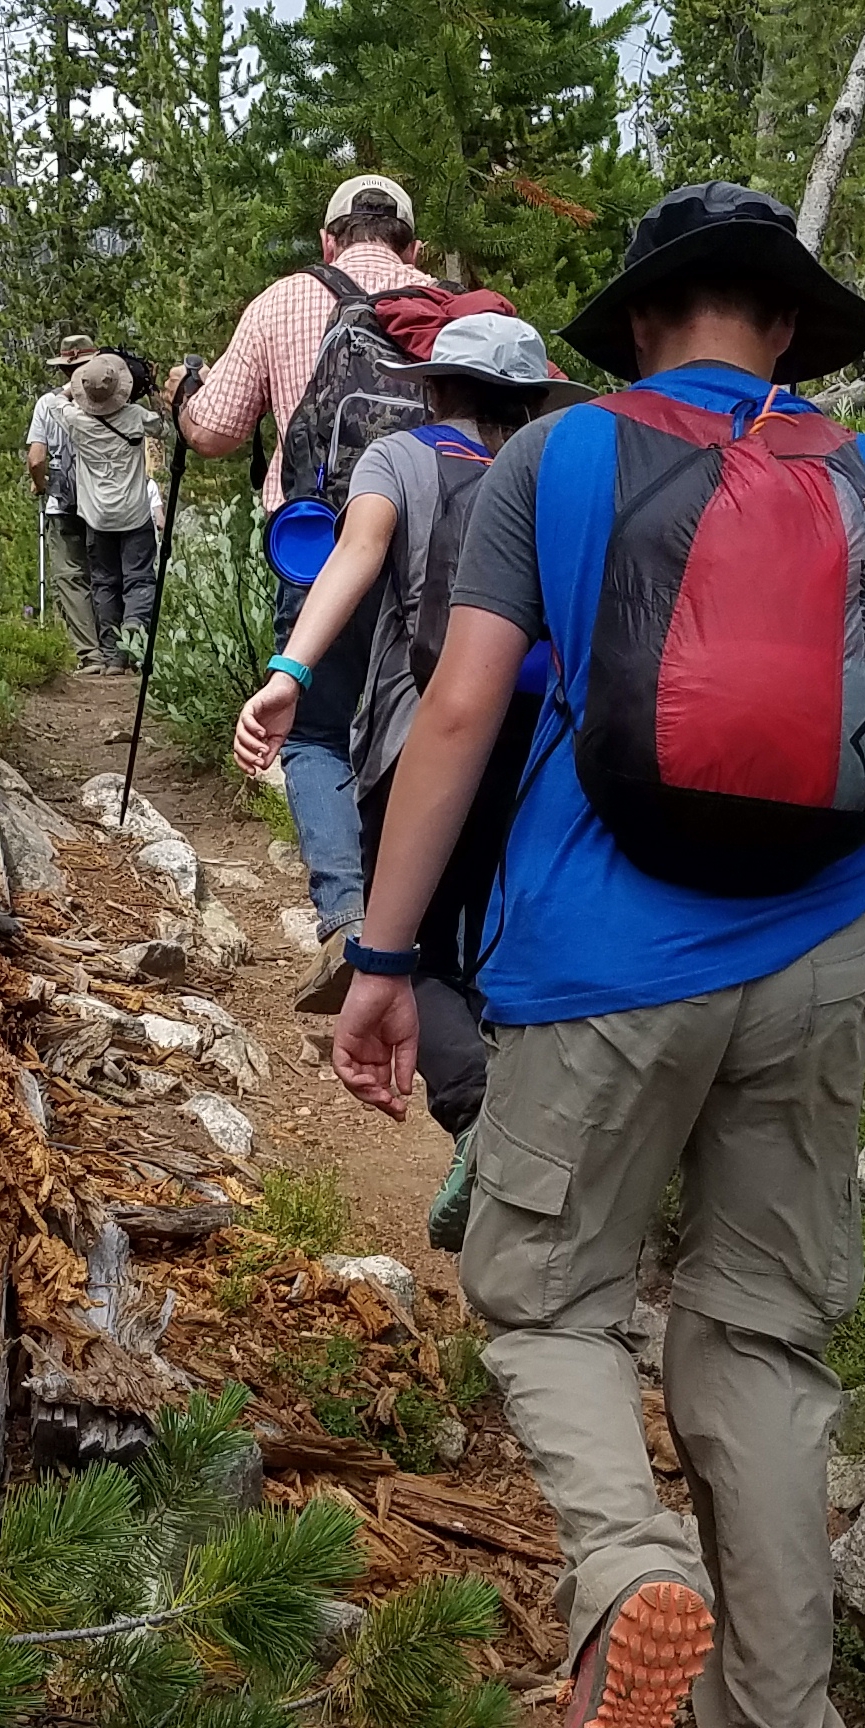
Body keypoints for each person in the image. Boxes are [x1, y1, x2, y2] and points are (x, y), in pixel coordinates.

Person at [329, 182, 865, 1728]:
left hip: (590, 968)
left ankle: (627, 1570)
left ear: (633, 323)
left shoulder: (553, 462)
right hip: (815, 956)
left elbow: (464, 707)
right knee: (760, 1337)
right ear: (779, 327)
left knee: (545, 1296)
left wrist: (385, 952)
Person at [230, 309, 572, 1149]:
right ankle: (539, 1124)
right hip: (539, 753)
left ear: (434, 388)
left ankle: (477, 1120)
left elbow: (356, 553)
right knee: (498, 940)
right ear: (530, 399)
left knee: (403, 947)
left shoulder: (399, 457)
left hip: (417, 742)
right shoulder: (557, 470)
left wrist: (290, 674)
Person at [173, 175, 509, 974]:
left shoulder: (284, 300)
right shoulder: (460, 311)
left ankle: (347, 917)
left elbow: (215, 434)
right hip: (445, 554)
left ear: (330, 241)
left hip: (320, 548)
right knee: (440, 727)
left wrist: (183, 395)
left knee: (318, 731)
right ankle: (439, 928)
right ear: (412, 245)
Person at [49, 352, 164, 670]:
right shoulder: (136, 417)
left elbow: (55, 400)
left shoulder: (75, 419)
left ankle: (113, 656)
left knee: (104, 583)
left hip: (97, 517)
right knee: (139, 579)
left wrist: (76, 388)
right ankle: (134, 628)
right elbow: (165, 427)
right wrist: (153, 389)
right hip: (135, 513)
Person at [22, 332, 102, 621]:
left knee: (72, 576)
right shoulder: (109, 398)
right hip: (105, 500)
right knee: (106, 574)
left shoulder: (48, 403)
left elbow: (36, 459)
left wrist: (41, 485)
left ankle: (90, 654)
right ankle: (118, 650)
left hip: (63, 501)